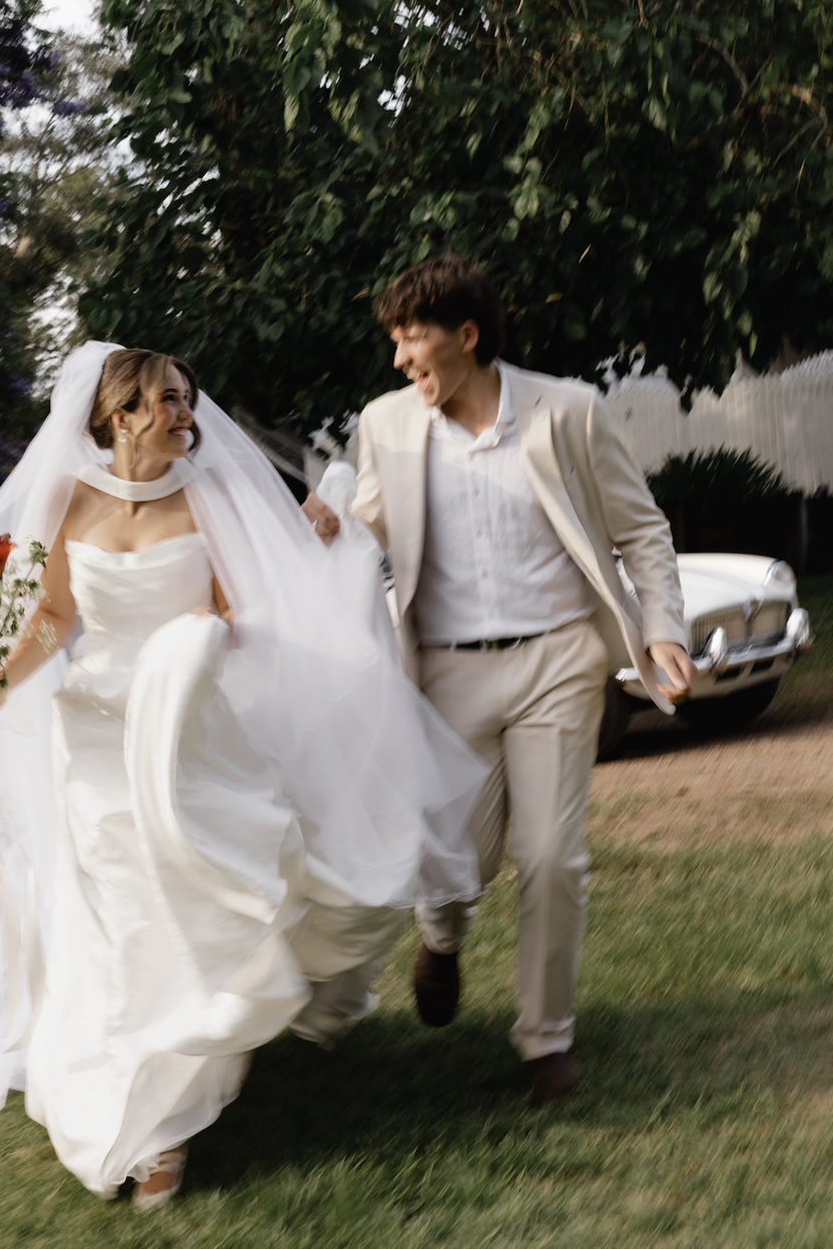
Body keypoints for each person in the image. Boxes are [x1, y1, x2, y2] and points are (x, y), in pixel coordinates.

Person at [0, 343, 483, 1210]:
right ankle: (130, 1110)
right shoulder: (67, 498)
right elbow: (52, 617)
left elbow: (241, 604)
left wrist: (209, 627)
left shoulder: (208, 491)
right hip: (93, 740)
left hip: (190, 726)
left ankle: (172, 1128)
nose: (186, 413)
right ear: (120, 418)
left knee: (186, 919)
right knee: (114, 923)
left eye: (187, 399)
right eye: (165, 401)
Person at [306, 254, 692, 1106]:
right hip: (445, 673)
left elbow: (641, 529)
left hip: (559, 661)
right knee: (458, 861)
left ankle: (545, 1040)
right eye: (397, 344)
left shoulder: (569, 414)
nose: (402, 360)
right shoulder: (387, 424)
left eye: (413, 340)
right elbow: (366, 525)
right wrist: (322, 525)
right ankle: (442, 937)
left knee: (552, 857)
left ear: (466, 337)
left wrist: (661, 629)